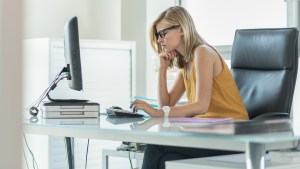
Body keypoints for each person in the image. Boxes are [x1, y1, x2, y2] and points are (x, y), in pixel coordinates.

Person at [130, 6, 249, 169]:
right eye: (158, 35)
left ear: (181, 29)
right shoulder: (186, 62)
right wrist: (163, 69)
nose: (159, 40)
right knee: (167, 158)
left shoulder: (203, 52)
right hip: (211, 133)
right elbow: (166, 105)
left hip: (232, 136)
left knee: (156, 144)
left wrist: (159, 113)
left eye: (162, 33)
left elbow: (201, 105)